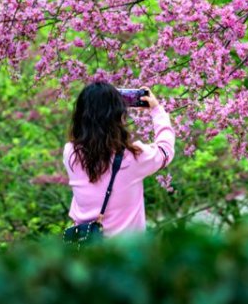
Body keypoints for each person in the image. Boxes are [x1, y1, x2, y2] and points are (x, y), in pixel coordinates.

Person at [63, 81, 175, 235]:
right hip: (126, 252)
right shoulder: (134, 157)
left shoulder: (71, 152)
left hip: (88, 249)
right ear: (118, 115)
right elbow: (165, 149)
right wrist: (156, 110)